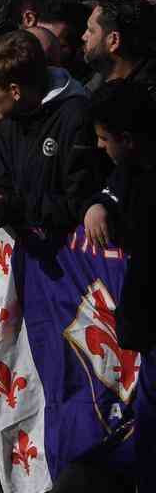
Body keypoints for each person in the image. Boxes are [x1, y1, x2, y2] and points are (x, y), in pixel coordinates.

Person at [0, 30, 99, 233]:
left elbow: (78, 200)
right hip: (28, 254)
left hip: (68, 254)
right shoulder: (10, 117)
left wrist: (14, 208)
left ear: (15, 91)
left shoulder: (76, 118)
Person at [82, 83, 156, 354]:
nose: (98, 146)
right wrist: (98, 206)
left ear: (126, 139)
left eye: (103, 138)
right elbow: (111, 191)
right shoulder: (129, 169)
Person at [82, 0, 156, 88]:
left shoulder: (140, 98)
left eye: (91, 30)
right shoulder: (97, 82)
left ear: (114, 41)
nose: (84, 36)